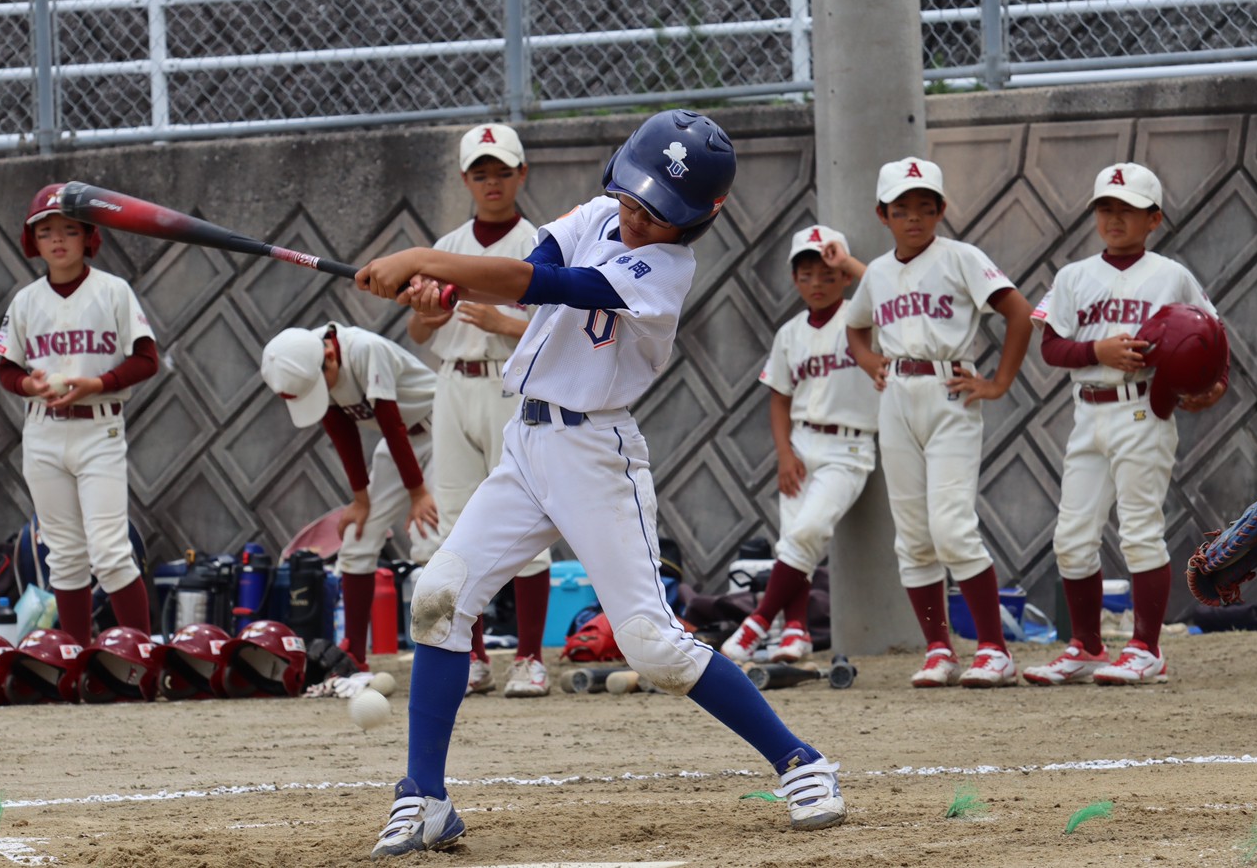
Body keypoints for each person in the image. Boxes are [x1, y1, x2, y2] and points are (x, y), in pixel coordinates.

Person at [356, 109, 847, 858]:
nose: (636, 218)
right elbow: (531, 276)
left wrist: (428, 258)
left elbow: (548, 282)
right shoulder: (598, 214)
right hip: (525, 444)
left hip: (595, 454)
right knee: (438, 600)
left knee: (651, 646)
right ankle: (424, 796)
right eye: (632, 199)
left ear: (698, 218)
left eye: (658, 213)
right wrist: (437, 291)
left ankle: (802, 762)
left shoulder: (665, 270)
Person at [1021, 163, 1226, 687]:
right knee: (1071, 537)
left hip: (1144, 409)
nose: (1114, 219)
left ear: (1154, 218)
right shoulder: (1073, 276)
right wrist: (1098, 350)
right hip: (1088, 411)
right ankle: (1086, 646)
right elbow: (1050, 346)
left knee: (1139, 531)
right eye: (1105, 208)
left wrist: (1213, 383)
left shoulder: (1171, 275)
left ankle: (1146, 649)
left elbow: (1210, 335)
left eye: (1128, 210)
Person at [843, 158, 1033, 689]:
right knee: (913, 534)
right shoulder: (878, 273)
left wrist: (998, 382)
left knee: (951, 526)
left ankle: (994, 650)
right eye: (901, 208)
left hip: (951, 390)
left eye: (925, 207)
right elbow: (855, 329)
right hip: (897, 396)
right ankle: (939, 650)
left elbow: (1020, 312)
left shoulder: (961, 257)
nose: (914, 218)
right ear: (882, 214)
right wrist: (869, 360)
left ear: (941, 209)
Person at [406, 123, 551, 698]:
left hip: (510, 386)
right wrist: (428, 314)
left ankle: (531, 657)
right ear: (466, 180)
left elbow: (556, 333)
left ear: (522, 174)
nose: (492, 183)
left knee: (527, 517)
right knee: (457, 521)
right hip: (453, 382)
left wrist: (503, 323)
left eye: (502, 172)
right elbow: (419, 332)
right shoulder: (447, 246)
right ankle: (472, 656)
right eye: (481, 173)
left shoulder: (539, 242)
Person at [0, 183, 159, 646]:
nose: (58, 240)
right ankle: (77, 656)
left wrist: (98, 384)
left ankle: (140, 654)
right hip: (42, 433)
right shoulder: (25, 301)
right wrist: (29, 385)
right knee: (63, 556)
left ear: (89, 236)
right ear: (33, 241)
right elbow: (6, 369)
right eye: (46, 232)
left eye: (69, 229)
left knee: (110, 552)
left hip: (99, 428)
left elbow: (147, 360)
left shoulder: (113, 291)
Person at [721, 225, 876, 664]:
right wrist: (784, 453)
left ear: (844, 276)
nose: (816, 284)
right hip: (802, 442)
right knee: (794, 539)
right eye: (806, 275)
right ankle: (796, 630)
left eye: (827, 274)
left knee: (808, 533)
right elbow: (779, 398)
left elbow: (885, 291)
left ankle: (757, 623)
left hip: (849, 446)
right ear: (794, 279)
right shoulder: (789, 333)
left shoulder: (861, 318)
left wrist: (848, 261)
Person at [260, 322, 437, 672]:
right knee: (357, 538)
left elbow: (391, 423)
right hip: (403, 443)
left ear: (329, 355)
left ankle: (466, 652)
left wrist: (418, 493)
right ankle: (355, 652)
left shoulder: (364, 350)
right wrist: (361, 499)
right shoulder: (307, 361)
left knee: (430, 536)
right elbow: (342, 431)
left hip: (441, 427)